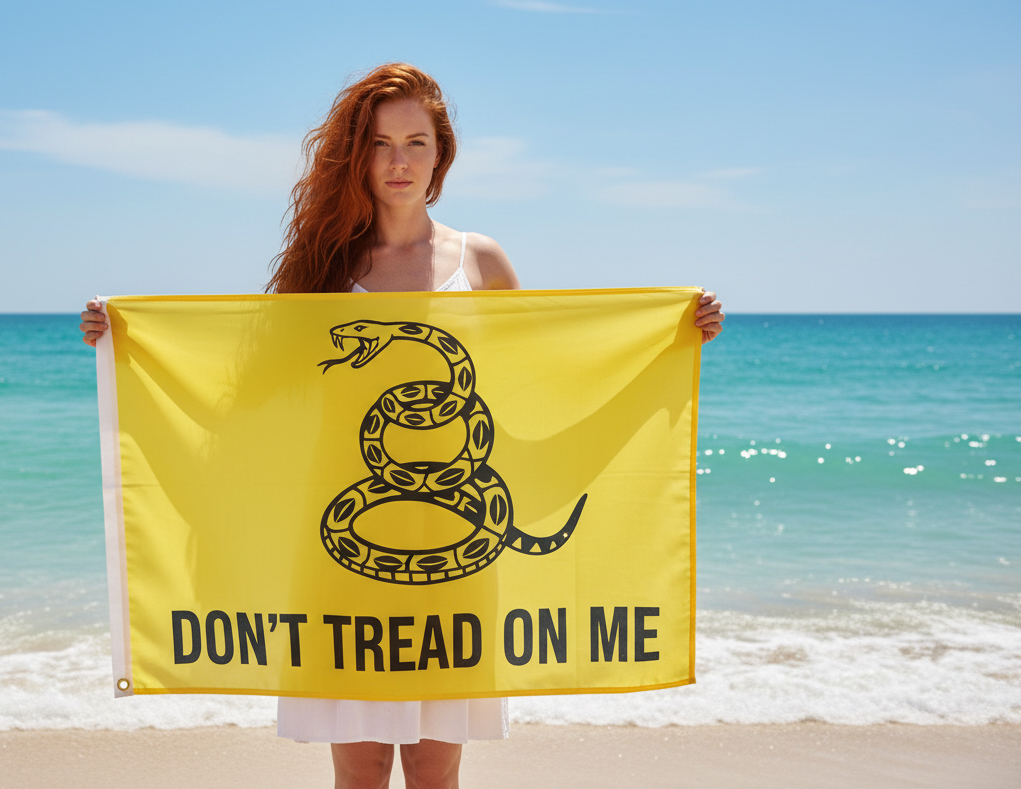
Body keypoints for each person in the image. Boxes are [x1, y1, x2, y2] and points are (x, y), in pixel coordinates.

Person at [80, 63, 724, 789]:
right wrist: (125, 343)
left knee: (432, 772)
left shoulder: (480, 262)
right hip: (340, 562)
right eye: (382, 143)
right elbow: (246, 395)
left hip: (456, 558)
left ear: (440, 155)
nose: (398, 162)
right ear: (358, 155)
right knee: (357, 774)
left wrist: (671, 342)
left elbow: (543, 384)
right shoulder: (321, 271)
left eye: (416, 143)